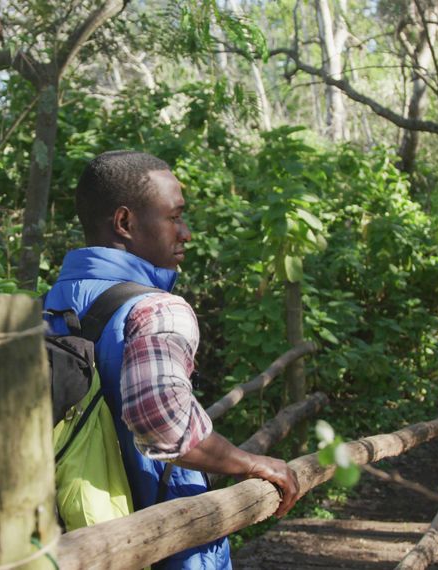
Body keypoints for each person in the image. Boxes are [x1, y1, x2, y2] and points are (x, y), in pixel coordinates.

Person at [43, 150, 301, 569]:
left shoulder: (48, 305)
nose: (187, 233)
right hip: (166, 544)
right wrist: (247, 461)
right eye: (174, 217)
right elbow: (164, 425)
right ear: (125, 223)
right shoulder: (156, 309)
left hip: (70, 539)